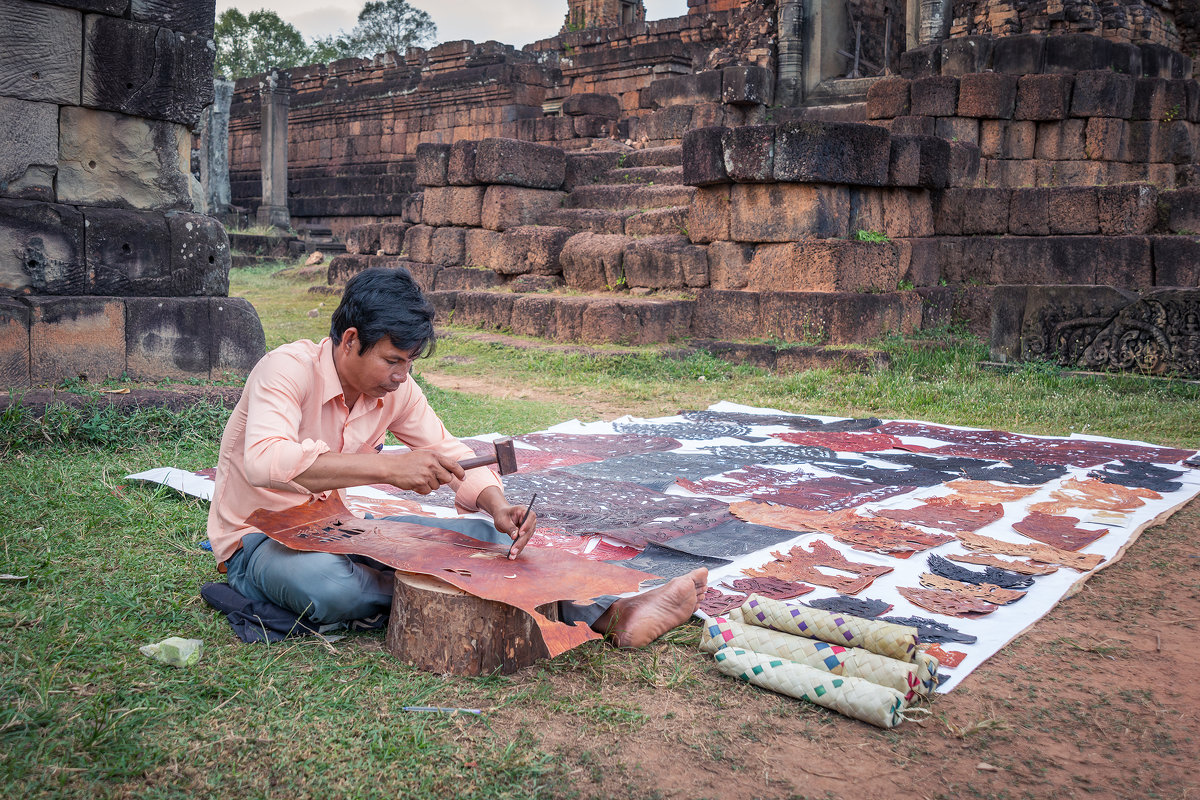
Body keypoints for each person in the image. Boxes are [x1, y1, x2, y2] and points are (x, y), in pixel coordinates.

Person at [207, 267, 705, 648]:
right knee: (328, 586)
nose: (401, 376)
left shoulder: (395, 389)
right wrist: (389, 468)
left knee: (489, 536)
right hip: (256, 543)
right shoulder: (284, 369)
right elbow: (266, 461)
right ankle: (456, 585)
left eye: (409, 363)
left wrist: (495, 503)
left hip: (337, 529)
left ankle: (610, 612)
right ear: (351, 341)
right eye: (392, 361)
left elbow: (448, 449)